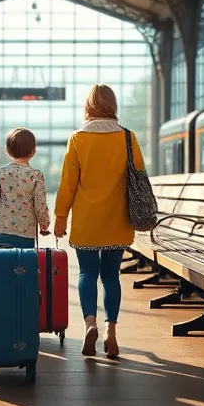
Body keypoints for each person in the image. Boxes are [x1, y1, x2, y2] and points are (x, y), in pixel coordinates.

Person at [53, 84, 144, 358]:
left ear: (89, 106)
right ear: (112, 105)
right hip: (118, 219)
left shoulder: (78, 138)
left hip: (87, 221)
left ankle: (90, 322)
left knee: (87, 274)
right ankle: (111, 330)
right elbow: (138, 175)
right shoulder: (128, 137)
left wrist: (60, 217)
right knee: (111, 276)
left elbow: (68, 183)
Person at [0, 128, 50, 248]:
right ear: (33, 152)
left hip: (1, 231)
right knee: (22, 265)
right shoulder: (36, 176)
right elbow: (40, 204)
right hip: (25, 234)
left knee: (0, 265)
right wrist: (44, 223)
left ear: (8, 151)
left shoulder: (0, 173)